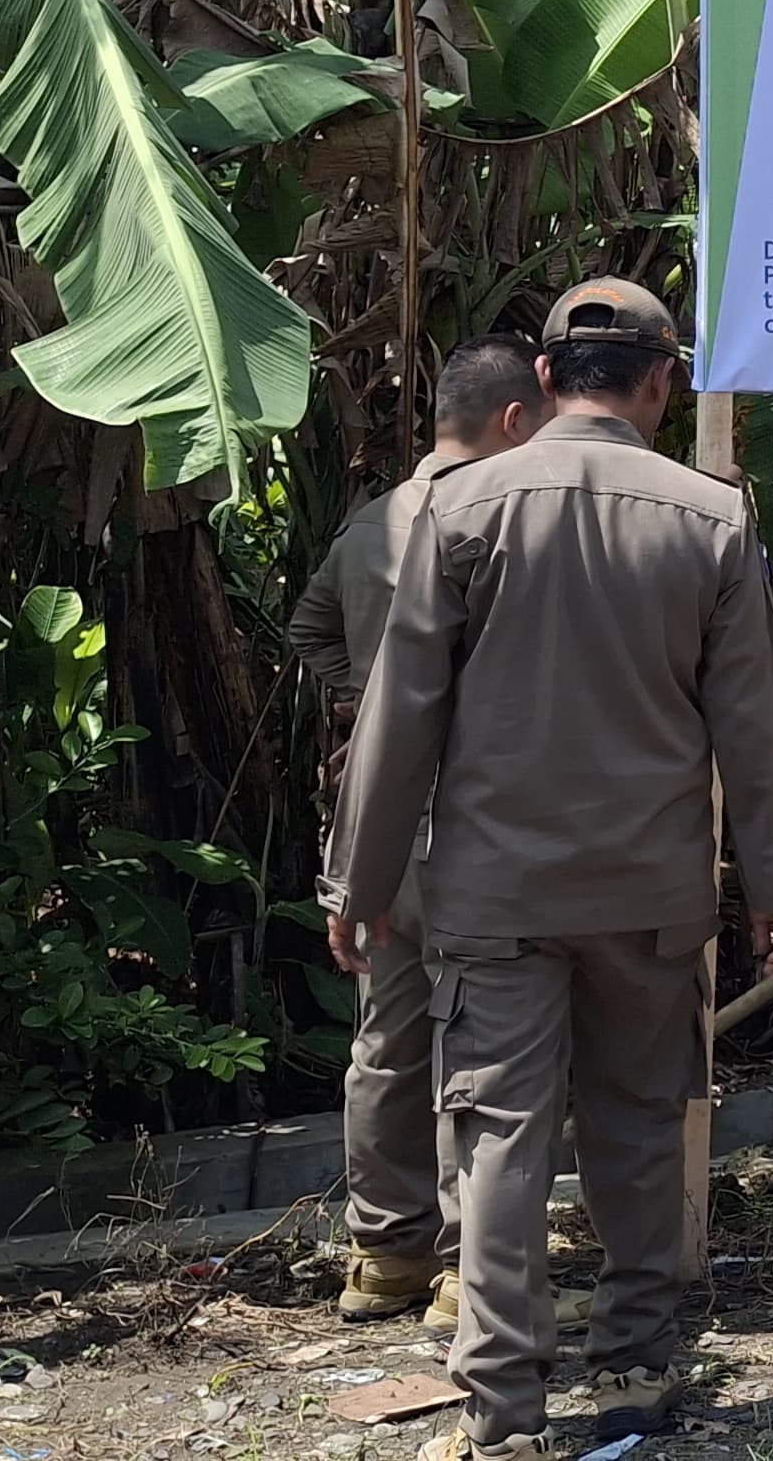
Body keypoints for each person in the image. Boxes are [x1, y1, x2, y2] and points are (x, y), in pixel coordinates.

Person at [328, 280, 773, 1461]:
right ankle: (640, 1370)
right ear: (661, 382)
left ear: (543, 381)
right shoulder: (711, 517)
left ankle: (502, 1408)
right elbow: (757, 724)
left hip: (494, 892)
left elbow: (401, 720)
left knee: (497, 1138)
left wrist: (360, 882)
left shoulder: (459, 508)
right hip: (649, 891)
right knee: (642, 1121)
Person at [295, 335, 547, 1327]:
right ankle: (460, 1271)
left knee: (389, 1033)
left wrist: (365, 702)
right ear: (517, 421)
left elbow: (310, 631)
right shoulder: (501, 526)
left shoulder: (368, 524)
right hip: (477, 818)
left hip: (376, 824)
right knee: (480, 1038)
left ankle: (382, 1253)